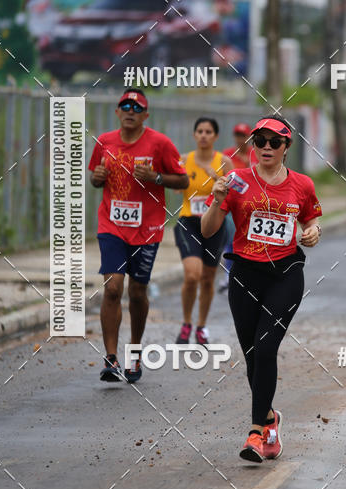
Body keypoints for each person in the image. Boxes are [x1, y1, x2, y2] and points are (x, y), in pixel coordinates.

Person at [201, 116, 322, 463]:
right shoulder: (236, 181)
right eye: (260, 141)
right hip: (244, 275)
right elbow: (209, 232)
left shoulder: (302, 184)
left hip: (285, 273)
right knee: (253, 356)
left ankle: (256, 433)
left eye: (275, 141)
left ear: (287, 147)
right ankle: (271, 419)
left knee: (267, 348)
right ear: (252, 145)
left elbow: (311, 219)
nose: (266, 147)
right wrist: (214, 201)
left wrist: (313, 232)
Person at [88, 89, 188, 383]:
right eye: (125, 106)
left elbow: (183, 180)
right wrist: (97, 179)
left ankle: (134, 353)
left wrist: (156, 178)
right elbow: (96, 175)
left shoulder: (160, 144)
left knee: (137, 292)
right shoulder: (105, 141)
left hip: (148, 228)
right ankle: (110, 358)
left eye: (137, 107)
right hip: (112, 225)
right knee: (112, 288)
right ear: (118, 112)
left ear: (145, 115)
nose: (130, 110)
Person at [175, 117, 233, 344]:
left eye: (208, 131)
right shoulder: (183, 160)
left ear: (216, 136)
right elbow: (173, 184)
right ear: (194, 134)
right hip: (188, 221)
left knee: (208, 278)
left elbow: (234, 193)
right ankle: (186, 323)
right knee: (192, 275)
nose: (203, 135)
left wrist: (217, 178)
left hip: (214, 224)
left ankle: (201, 326)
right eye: (199, 131)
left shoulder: (224, 162)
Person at [218, 123, 257, 292]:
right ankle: (229, 273)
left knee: (250, 238)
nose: (240, 139)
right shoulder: (227, 155)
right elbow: (223, 178)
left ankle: (249, 274)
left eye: (243, 135)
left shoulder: (254, 155)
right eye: (237, 135)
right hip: (232, 203)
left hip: (252, 203)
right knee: (231, 238)